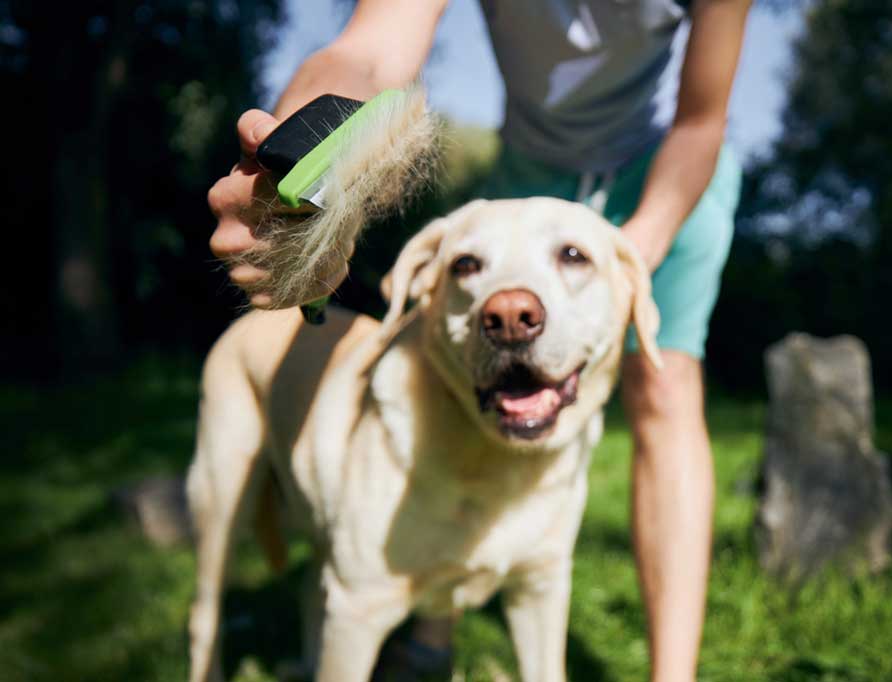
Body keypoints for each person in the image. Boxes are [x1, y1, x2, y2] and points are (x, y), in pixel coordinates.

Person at [207, 1, 751, 680]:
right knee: (470, 374)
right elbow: (373, 51)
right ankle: (432, 640)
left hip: (666, 163)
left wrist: (618, 266)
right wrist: (296, 166)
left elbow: (701, 120)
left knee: (665, 389)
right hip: (532, 166)